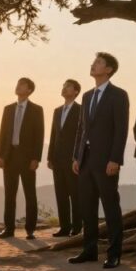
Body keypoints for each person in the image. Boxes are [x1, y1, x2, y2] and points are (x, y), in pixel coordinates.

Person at [69, 52, 129, 269]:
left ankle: (114, 254)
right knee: (87, 207)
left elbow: (120, 130)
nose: (93, 65)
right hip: (85, 161)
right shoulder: (86, 96)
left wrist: (115, 159)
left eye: (99, 62)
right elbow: (81, 129)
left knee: (111, 207)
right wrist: (77, 156)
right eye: (94, 61)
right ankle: (89, 249)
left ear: (109, 69)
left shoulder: (118, 95)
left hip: (106, 162)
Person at [0, 77, 45, 239]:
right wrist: (0, 155)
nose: (18, 86)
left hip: (28, 158)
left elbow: (39, 136)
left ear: (29, 90)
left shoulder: (37, 110)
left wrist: (36, 158)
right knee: (9, 194)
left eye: (22, 85)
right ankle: (8, 228)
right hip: (10, 156)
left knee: (30, 194)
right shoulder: (8, 109)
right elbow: (3, 133)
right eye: (17, 84)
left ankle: (30, 229)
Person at [47, 79, 83, 237]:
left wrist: (78, 157)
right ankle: (64, 226)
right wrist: (50, 156)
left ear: (75, 91)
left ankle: (77, 226)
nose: (64, 88)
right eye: (63, 86)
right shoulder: (57, 111)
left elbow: (82, 134)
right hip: (57, 158)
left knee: (75, 193)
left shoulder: (81, 110)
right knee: (60, 193)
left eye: (67, 86)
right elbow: (53, 134)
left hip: (72, 159)